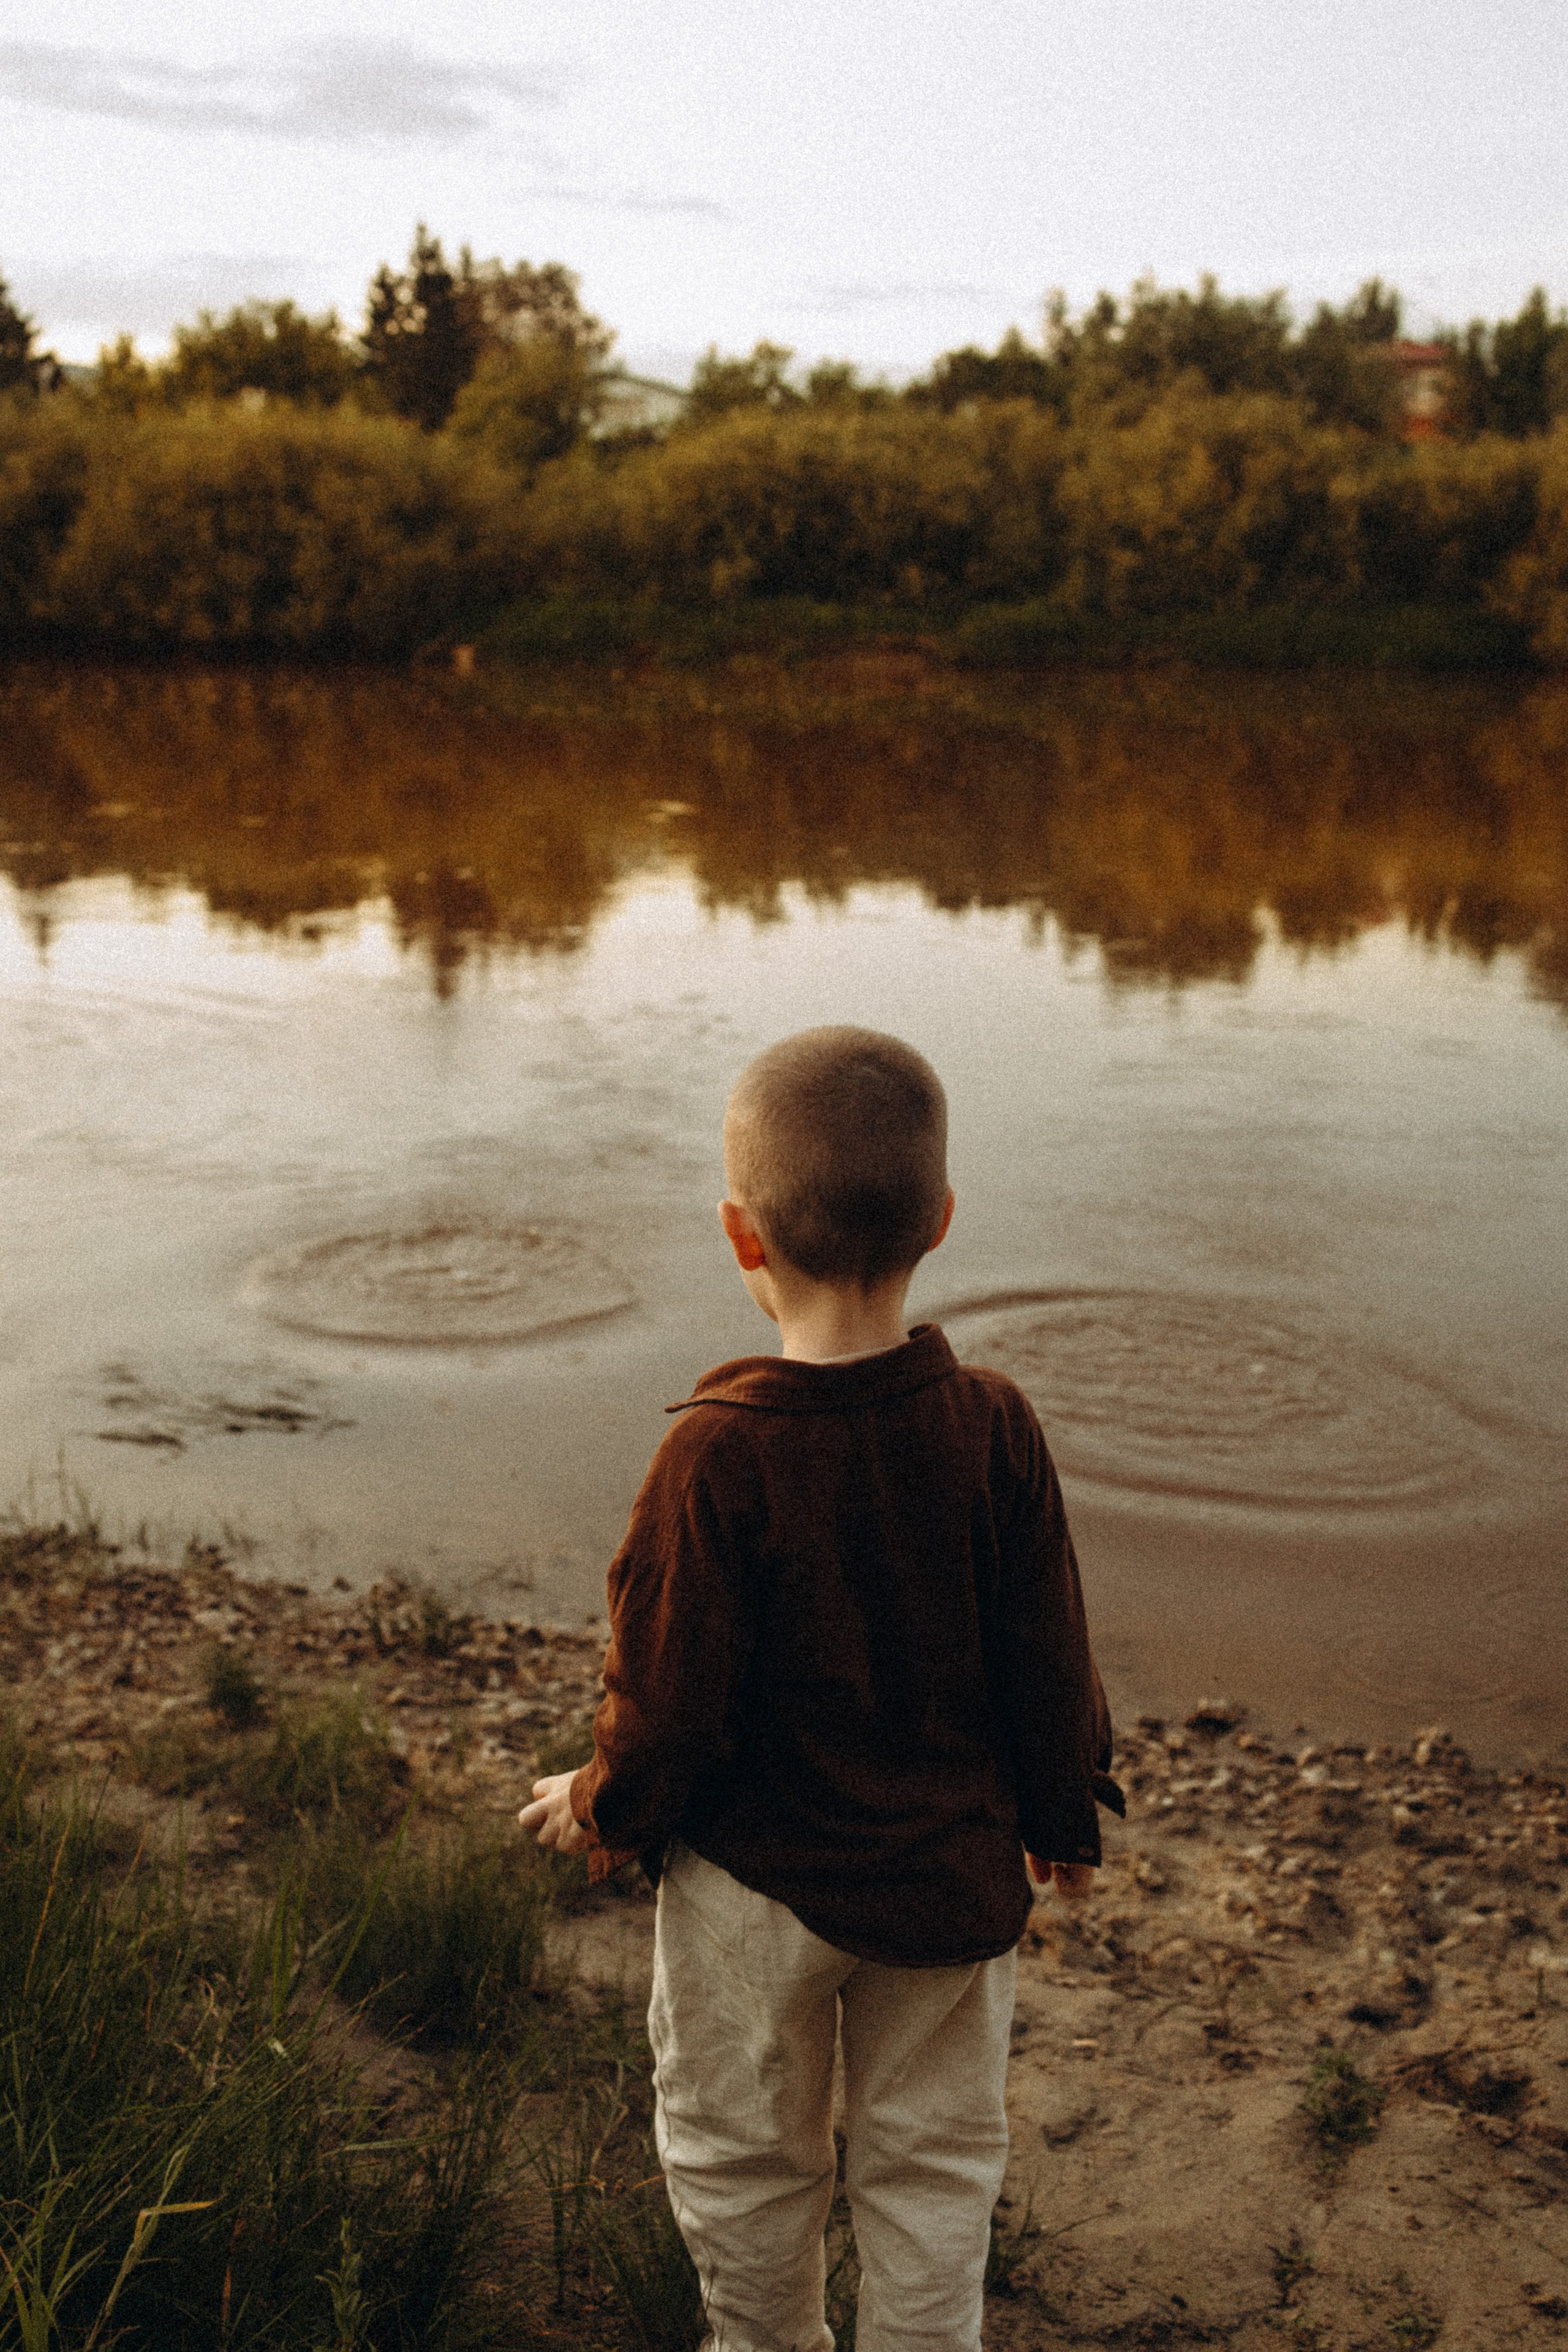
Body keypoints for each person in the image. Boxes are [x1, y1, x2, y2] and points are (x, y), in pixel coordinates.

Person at [521, 1025, 1121, 2352]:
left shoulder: (713, 1456)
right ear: (943, 1220)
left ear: (740, 1236)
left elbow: (666, 1700)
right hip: (945, 1885)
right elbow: (1046, 1651)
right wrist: (1062, 1815)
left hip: (754, 1890)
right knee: (932, 2171)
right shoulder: (994, 1424)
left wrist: (605, 1806)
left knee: (746, 2162)